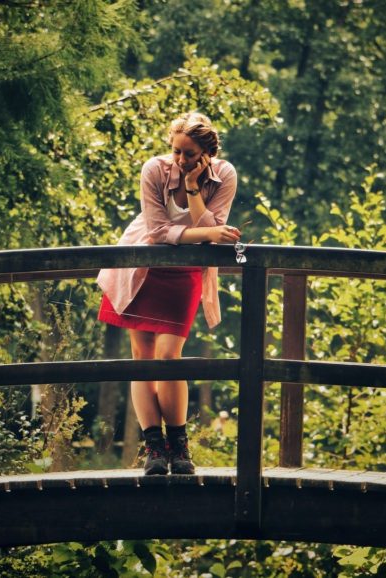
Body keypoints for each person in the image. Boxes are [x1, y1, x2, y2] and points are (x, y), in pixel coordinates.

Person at [96, 112, 241, 475]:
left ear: (207, 153)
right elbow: (160, 232)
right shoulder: (154, 170)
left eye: (189, 153)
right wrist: (203, 234)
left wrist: (193, 189)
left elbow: (212, 228)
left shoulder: (224, 176)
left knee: (168, 356)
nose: (180, 160)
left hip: (185, 273)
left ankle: (180, 447)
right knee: (142, 357)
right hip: (143, 264)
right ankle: (154, 449)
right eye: (176, 151)